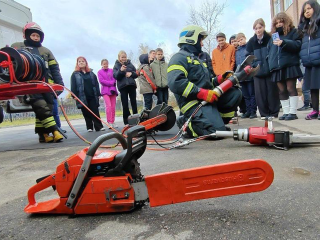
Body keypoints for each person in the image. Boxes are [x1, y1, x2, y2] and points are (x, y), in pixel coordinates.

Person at [168, 25, 242, 138]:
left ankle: (217, 122)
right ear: (191, 39)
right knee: (216, 132)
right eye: (200, 40)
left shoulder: (197, 59)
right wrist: (201, 93)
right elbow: (176, 83)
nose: (202, 44)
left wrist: (219, 79)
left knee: (234, 93)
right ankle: (187, 125)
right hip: (193, 103)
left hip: (207, 100)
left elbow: (206, 83)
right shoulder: (178, 58)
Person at [11, 22, 64, 143]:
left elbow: (55, 69)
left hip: (45, 85)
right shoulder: (17, 46)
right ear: (26, 35)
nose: (35, 38)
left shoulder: (46, 51)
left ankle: (43, 134)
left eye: (38, 36)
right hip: (27, 84)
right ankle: (54, 130)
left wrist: (60, 85)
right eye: (33, 35)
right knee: (40, 105)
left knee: (48, 105)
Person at [268, 12, 302, 121]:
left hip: (289, 64)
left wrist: (284, 42)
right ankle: (286, 112)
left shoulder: (293, 32)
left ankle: (293, 112)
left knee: (290, 88)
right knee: (281, 91)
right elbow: (271, 52)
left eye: (281, 22)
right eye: (276, 23)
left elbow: (297, 45)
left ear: (286, 21)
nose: (279, 24)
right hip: (277, 67)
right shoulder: (272, 37)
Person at [246, 18, 280, 119]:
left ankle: (274, 113)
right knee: (260, 95)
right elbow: (248, 56)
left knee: (272, 93)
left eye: (260, 28)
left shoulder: (270, 37)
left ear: (264, 27)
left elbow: (275, 51)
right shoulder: (251, 42)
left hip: (270, 70)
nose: (258, 30)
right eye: (256, 29)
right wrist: (255, 64)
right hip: (258, 72)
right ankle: (264, 114)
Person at [71, 57, 105, 132]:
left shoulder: (91, 73)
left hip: (92, 95)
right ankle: (89, 127)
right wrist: (74, 95)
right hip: (82, 96)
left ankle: (99, 126)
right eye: (79, 61)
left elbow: (96, 84)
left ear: (86, 63)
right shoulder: (75, 74)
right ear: (77, 63)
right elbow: (73, 85)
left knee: (95, 111)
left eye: (83, 61)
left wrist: (98, 93)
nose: (81, 62)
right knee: (86, 112)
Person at [299, 0, 320, 120]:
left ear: (315, 9)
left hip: (318, 58)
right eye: (305, 10)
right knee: (313, 87)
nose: (306, 11)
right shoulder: (304, 27)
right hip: (309, 61)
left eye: (309, 8)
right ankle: (315, 110)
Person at [235, 33, 257, 119]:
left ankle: (253, 111)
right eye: (238, 41)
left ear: (244, 38)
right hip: (241, 76)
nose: (240, 42)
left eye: (241, 40)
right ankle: (248, 111)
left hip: (249, 74)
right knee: (245, 95)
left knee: (252, 93)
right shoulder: (237, 52)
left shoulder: (249, 48)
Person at [113, 50, 138, 125]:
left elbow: (136, 73)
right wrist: (121, 71)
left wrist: (131, 73)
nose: (124, 58)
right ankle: (126, 120)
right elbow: (115, 76)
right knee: (125, 104)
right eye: (122, 57)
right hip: (123, 87)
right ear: (119, 58)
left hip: (131, 85)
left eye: (125, 57)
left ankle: (136, 118)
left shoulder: (130, 64)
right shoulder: (116, 66)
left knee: (134, 102)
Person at [97, 59, 118, 128]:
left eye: (106, 64)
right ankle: (109, 121)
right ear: (101, 64)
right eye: (104, 64)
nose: (105, 65)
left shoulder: (111, 70)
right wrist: (111, 83)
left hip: (112, 90)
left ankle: (113, 121)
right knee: (108, 106)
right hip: (105, 91)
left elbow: (114, 78)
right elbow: (101, 81)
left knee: (113, 107)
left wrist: (112, 83)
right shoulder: (99, 72)